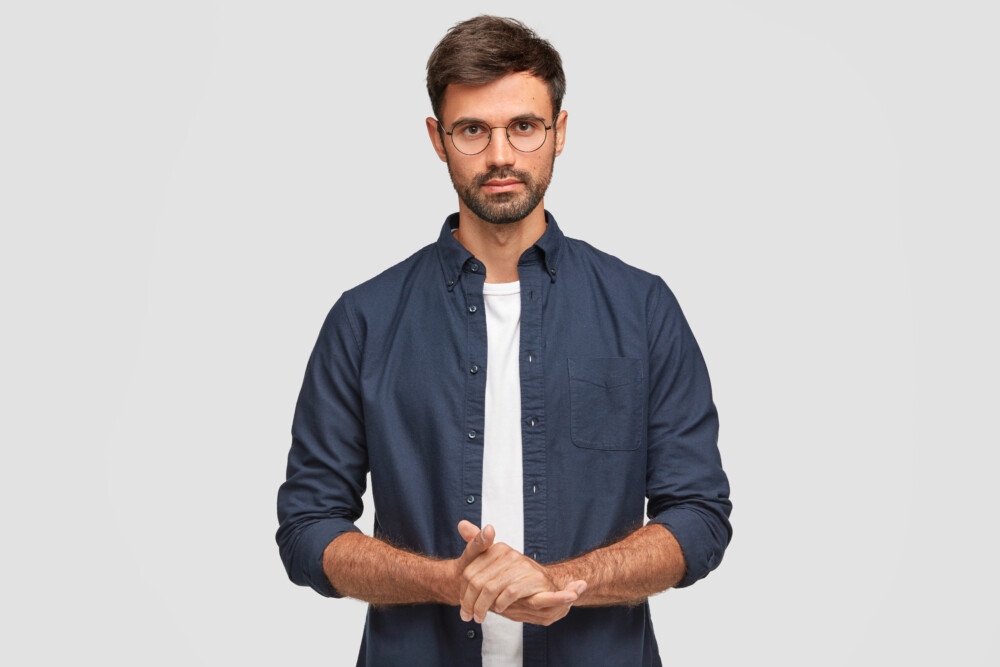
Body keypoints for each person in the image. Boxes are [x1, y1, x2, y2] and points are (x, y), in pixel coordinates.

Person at [276, 15, 732, 667]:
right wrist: (446, 580)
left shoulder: (642, 309)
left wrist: (562, 580)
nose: (500, 156)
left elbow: (699, 516)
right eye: (472, 130)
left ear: (559, 131)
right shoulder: (364, 320)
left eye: (523, 126)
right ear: (437, 139)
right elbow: (307, 528)